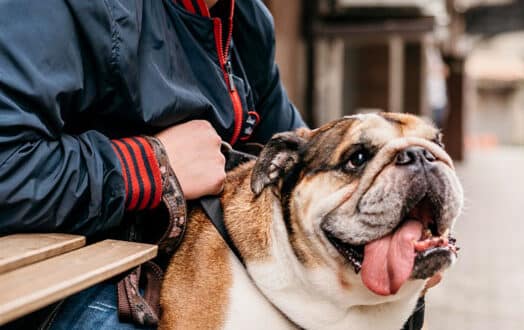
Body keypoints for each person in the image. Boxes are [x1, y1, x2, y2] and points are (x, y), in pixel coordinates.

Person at [0, 0, 433, 328]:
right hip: (60, 281)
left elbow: (303, 166)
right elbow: (8, 167)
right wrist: (152, 166)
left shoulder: (244, 17)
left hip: (181, 257)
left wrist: (392, 215)